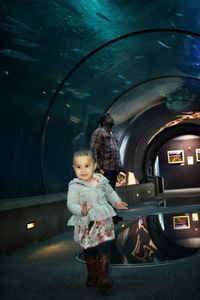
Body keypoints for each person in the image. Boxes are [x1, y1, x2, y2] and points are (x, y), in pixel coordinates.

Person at [67, 150, 128, 291]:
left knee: (103, 249)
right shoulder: (74, 185)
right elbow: (71, 203)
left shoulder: (101, 180)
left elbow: (110, 193)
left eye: (87, 166)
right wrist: (80, 210)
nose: (83, 170)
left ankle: (102, 277)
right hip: (86, 223)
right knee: (89, 250)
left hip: (103, 221)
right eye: (79, 167)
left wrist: (116, 202)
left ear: (94, 165)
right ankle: (92, 274)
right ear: (73, 168)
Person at [90, 113, 124, 223]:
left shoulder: (112, 133)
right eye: (109, 118)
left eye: (112, 117)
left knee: (111, 193)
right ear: (103, 121)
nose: (112, 118)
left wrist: (119, 166)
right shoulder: (98, 132)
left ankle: (112, 216)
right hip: (105, 168)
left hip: (113, 167)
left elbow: (116, 150)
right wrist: (97, 166)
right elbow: (94, 149)